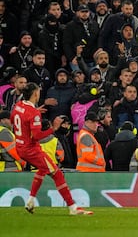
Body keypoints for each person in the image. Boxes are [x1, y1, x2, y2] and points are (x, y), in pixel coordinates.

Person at [9, 82, 92, 215]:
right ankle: (72, 207)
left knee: (43, 169)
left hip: (20, 147)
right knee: (57, 174)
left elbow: (13, 120)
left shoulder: (18, 106)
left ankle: (30, 201)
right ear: (36, 94)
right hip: (31, 150)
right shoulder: (33, 113)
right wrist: (53, 128)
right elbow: (37, 136)